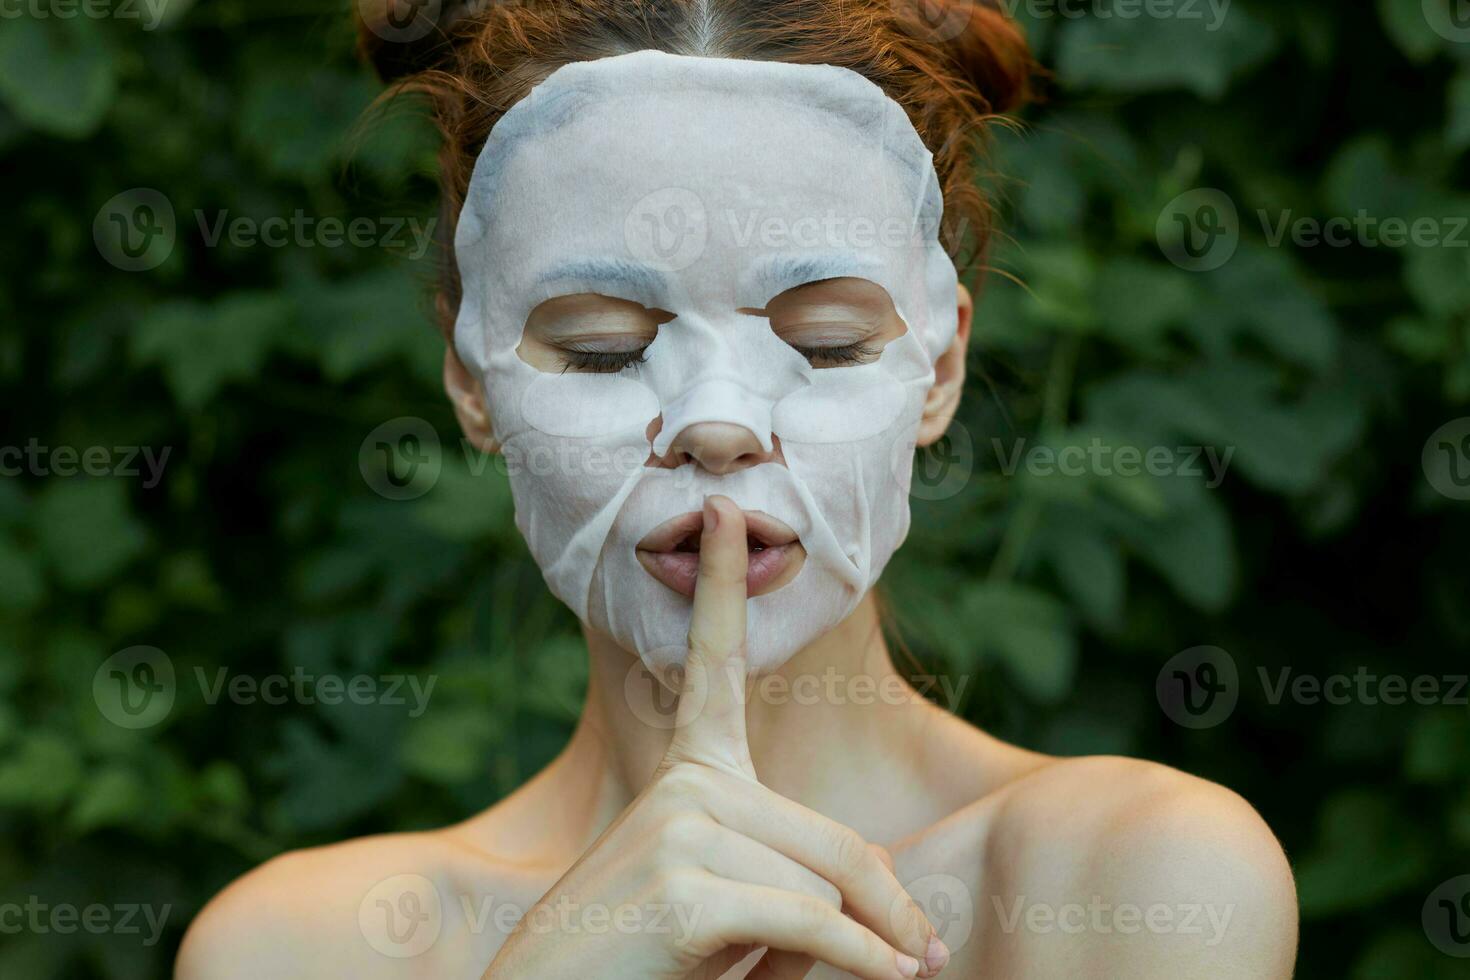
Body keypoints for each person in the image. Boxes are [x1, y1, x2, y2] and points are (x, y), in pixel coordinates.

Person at [177, 2, 1298, 977]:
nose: (719, 425)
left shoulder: (1126, 885)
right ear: (471, 380)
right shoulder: (302, 949)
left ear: (940, 370)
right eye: (607, 349)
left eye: (825, 341)